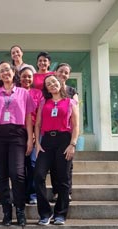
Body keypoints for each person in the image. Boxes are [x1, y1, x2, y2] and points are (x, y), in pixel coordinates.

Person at [0, 61, 35, 226]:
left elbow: (27, 117)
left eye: (8, 70)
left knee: (17, 173)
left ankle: (20, 210)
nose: (5, 73)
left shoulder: (23, 93)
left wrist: (30, 138)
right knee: (1, 174)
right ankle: (6, 212)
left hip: (17, 135)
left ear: (13, 73)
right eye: (2, 71)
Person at [34, 74, 79, 225]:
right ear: (46, 88)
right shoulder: (44, 102)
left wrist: (72, 144)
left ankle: (60, 214)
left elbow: (76, 125)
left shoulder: (70, 101)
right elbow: (38, 124)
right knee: (39, 176)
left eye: (54, 81)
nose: (52, 84)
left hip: (64, 140)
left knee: (63, 179)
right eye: (48, 84)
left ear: (59, 83)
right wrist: (37, 143)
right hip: (46, 141)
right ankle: (45, 213)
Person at [49, 63, 79, 203]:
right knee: (54, 165)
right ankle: (56, 191)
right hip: (52, 133)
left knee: (67, 165)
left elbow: (76, 112)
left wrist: (74, 139)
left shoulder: (72, 91)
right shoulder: (51, 88)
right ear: (56, 72)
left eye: (66, 72)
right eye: (61, 71)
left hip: (68, 133)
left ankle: (67, 192)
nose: (63, 74)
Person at [19, 67, 43, 204]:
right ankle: (21, 193)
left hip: (35, 130)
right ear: (19, 77)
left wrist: (34, 133)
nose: (26, 79)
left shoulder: (38, 93)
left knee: (33, 163)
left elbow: (39, 115)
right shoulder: (16, 91)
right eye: (24, 76)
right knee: (20, 165)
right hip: (19, 131)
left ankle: (33, 193)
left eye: (29, 76)